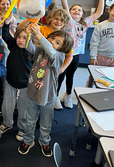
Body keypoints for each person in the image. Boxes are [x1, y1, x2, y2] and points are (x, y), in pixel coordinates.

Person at [18, 23, 73, 157]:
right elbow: (29, 47)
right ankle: (28, 140)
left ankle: (44, 141)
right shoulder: (40, 49)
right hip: (32, 93)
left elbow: (51, 51)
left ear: (62, 48)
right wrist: (30, 33)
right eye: (52, 38)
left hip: (48, 97)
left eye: (57, 42)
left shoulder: (59, 56)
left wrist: (39, 35)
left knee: (46, 123)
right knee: (30, 120)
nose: (52, 41)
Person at [58, 0, 104, 108]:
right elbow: (65, 6)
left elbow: (99, 12)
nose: (76, 11)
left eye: (79, 10)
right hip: (65, 54)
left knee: (70, 76)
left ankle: (67, 95)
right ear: (70, 13)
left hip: (76, 54)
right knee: (60, 75)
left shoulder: (86, 23)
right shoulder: (69, 21)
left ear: (82, 14)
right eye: (74, 9)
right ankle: (55, 96)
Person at [18, 8, 73, 110]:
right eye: (56, 19)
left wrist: (62, 68)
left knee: (49, 87)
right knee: (36, 83)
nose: (58, 22)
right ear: (50, 19)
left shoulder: (65, 38)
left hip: (52, 68)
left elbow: (68, 54)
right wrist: (31, 21)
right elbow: (22, 30)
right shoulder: (42, 29)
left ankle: (53, 98)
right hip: (38, 62)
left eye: (62, 20)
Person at [0, 20, 33, 141]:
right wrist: (6, 24)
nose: (21, 40)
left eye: (24, 38)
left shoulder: (31, 51)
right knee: (7, 105)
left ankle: (22, 128)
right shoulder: (13, 45)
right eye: (19, 37)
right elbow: (6, 35)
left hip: (25, 85)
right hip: (10, 81)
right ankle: (7, 123)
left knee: (23, 108)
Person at [89, 2, 114, 71]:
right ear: (109, 10)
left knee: (110, 77)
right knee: (96, 75)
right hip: (100, 56)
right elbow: (94, 42)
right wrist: (93, 57)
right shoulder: (101, 25)